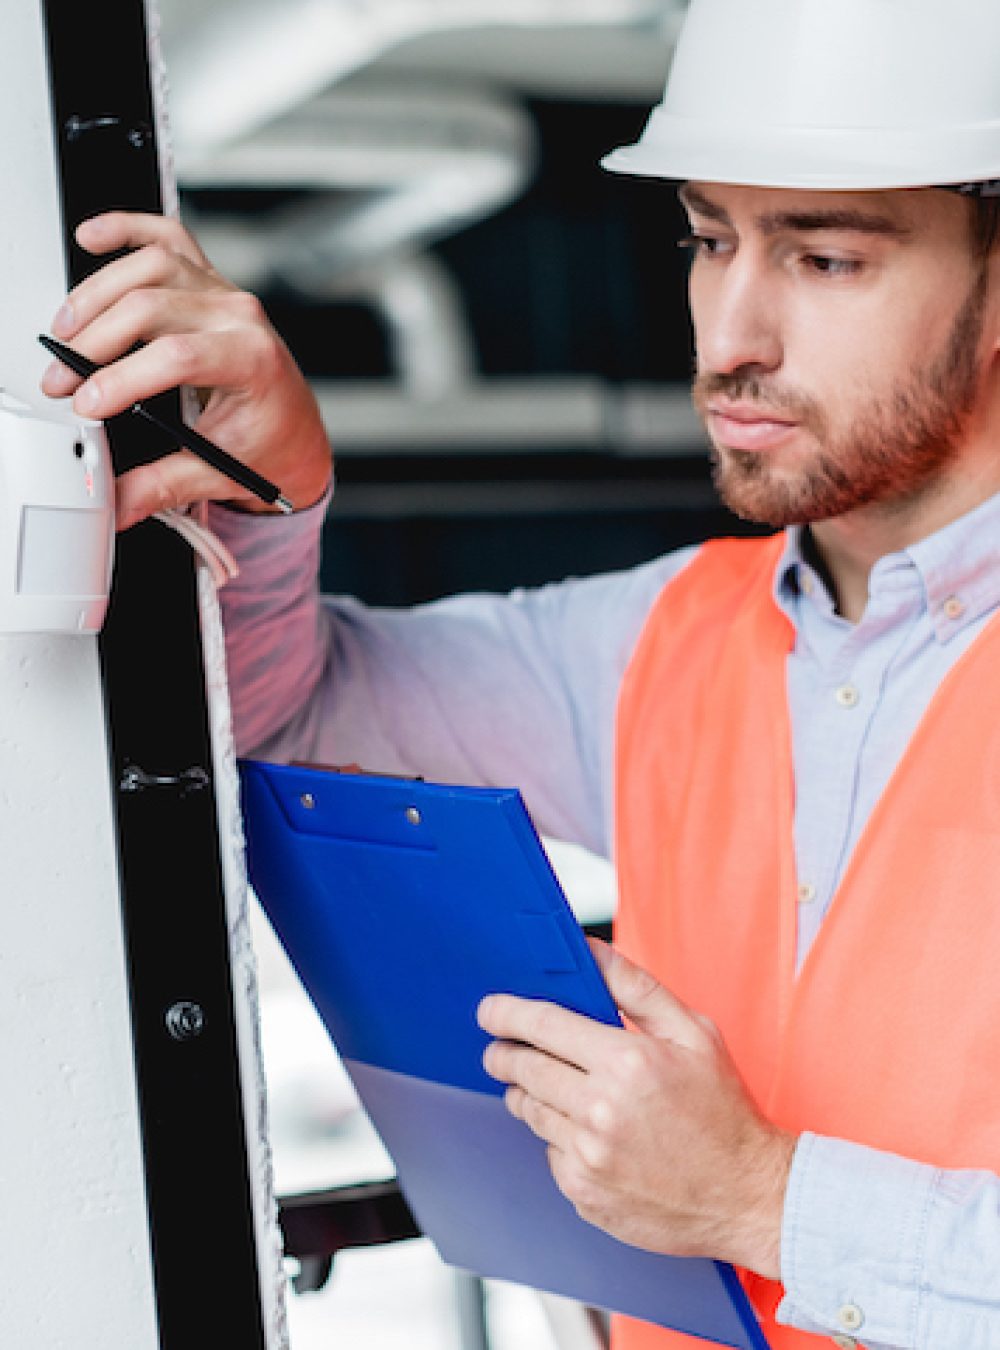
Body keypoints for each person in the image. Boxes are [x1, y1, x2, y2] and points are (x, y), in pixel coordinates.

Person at [39, 0, 1000, 1346]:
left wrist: (761, 1200)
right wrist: (277, 494)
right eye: (710, 240)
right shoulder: (660, 637)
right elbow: (273, 724)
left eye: (827, 259)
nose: (733, 335)